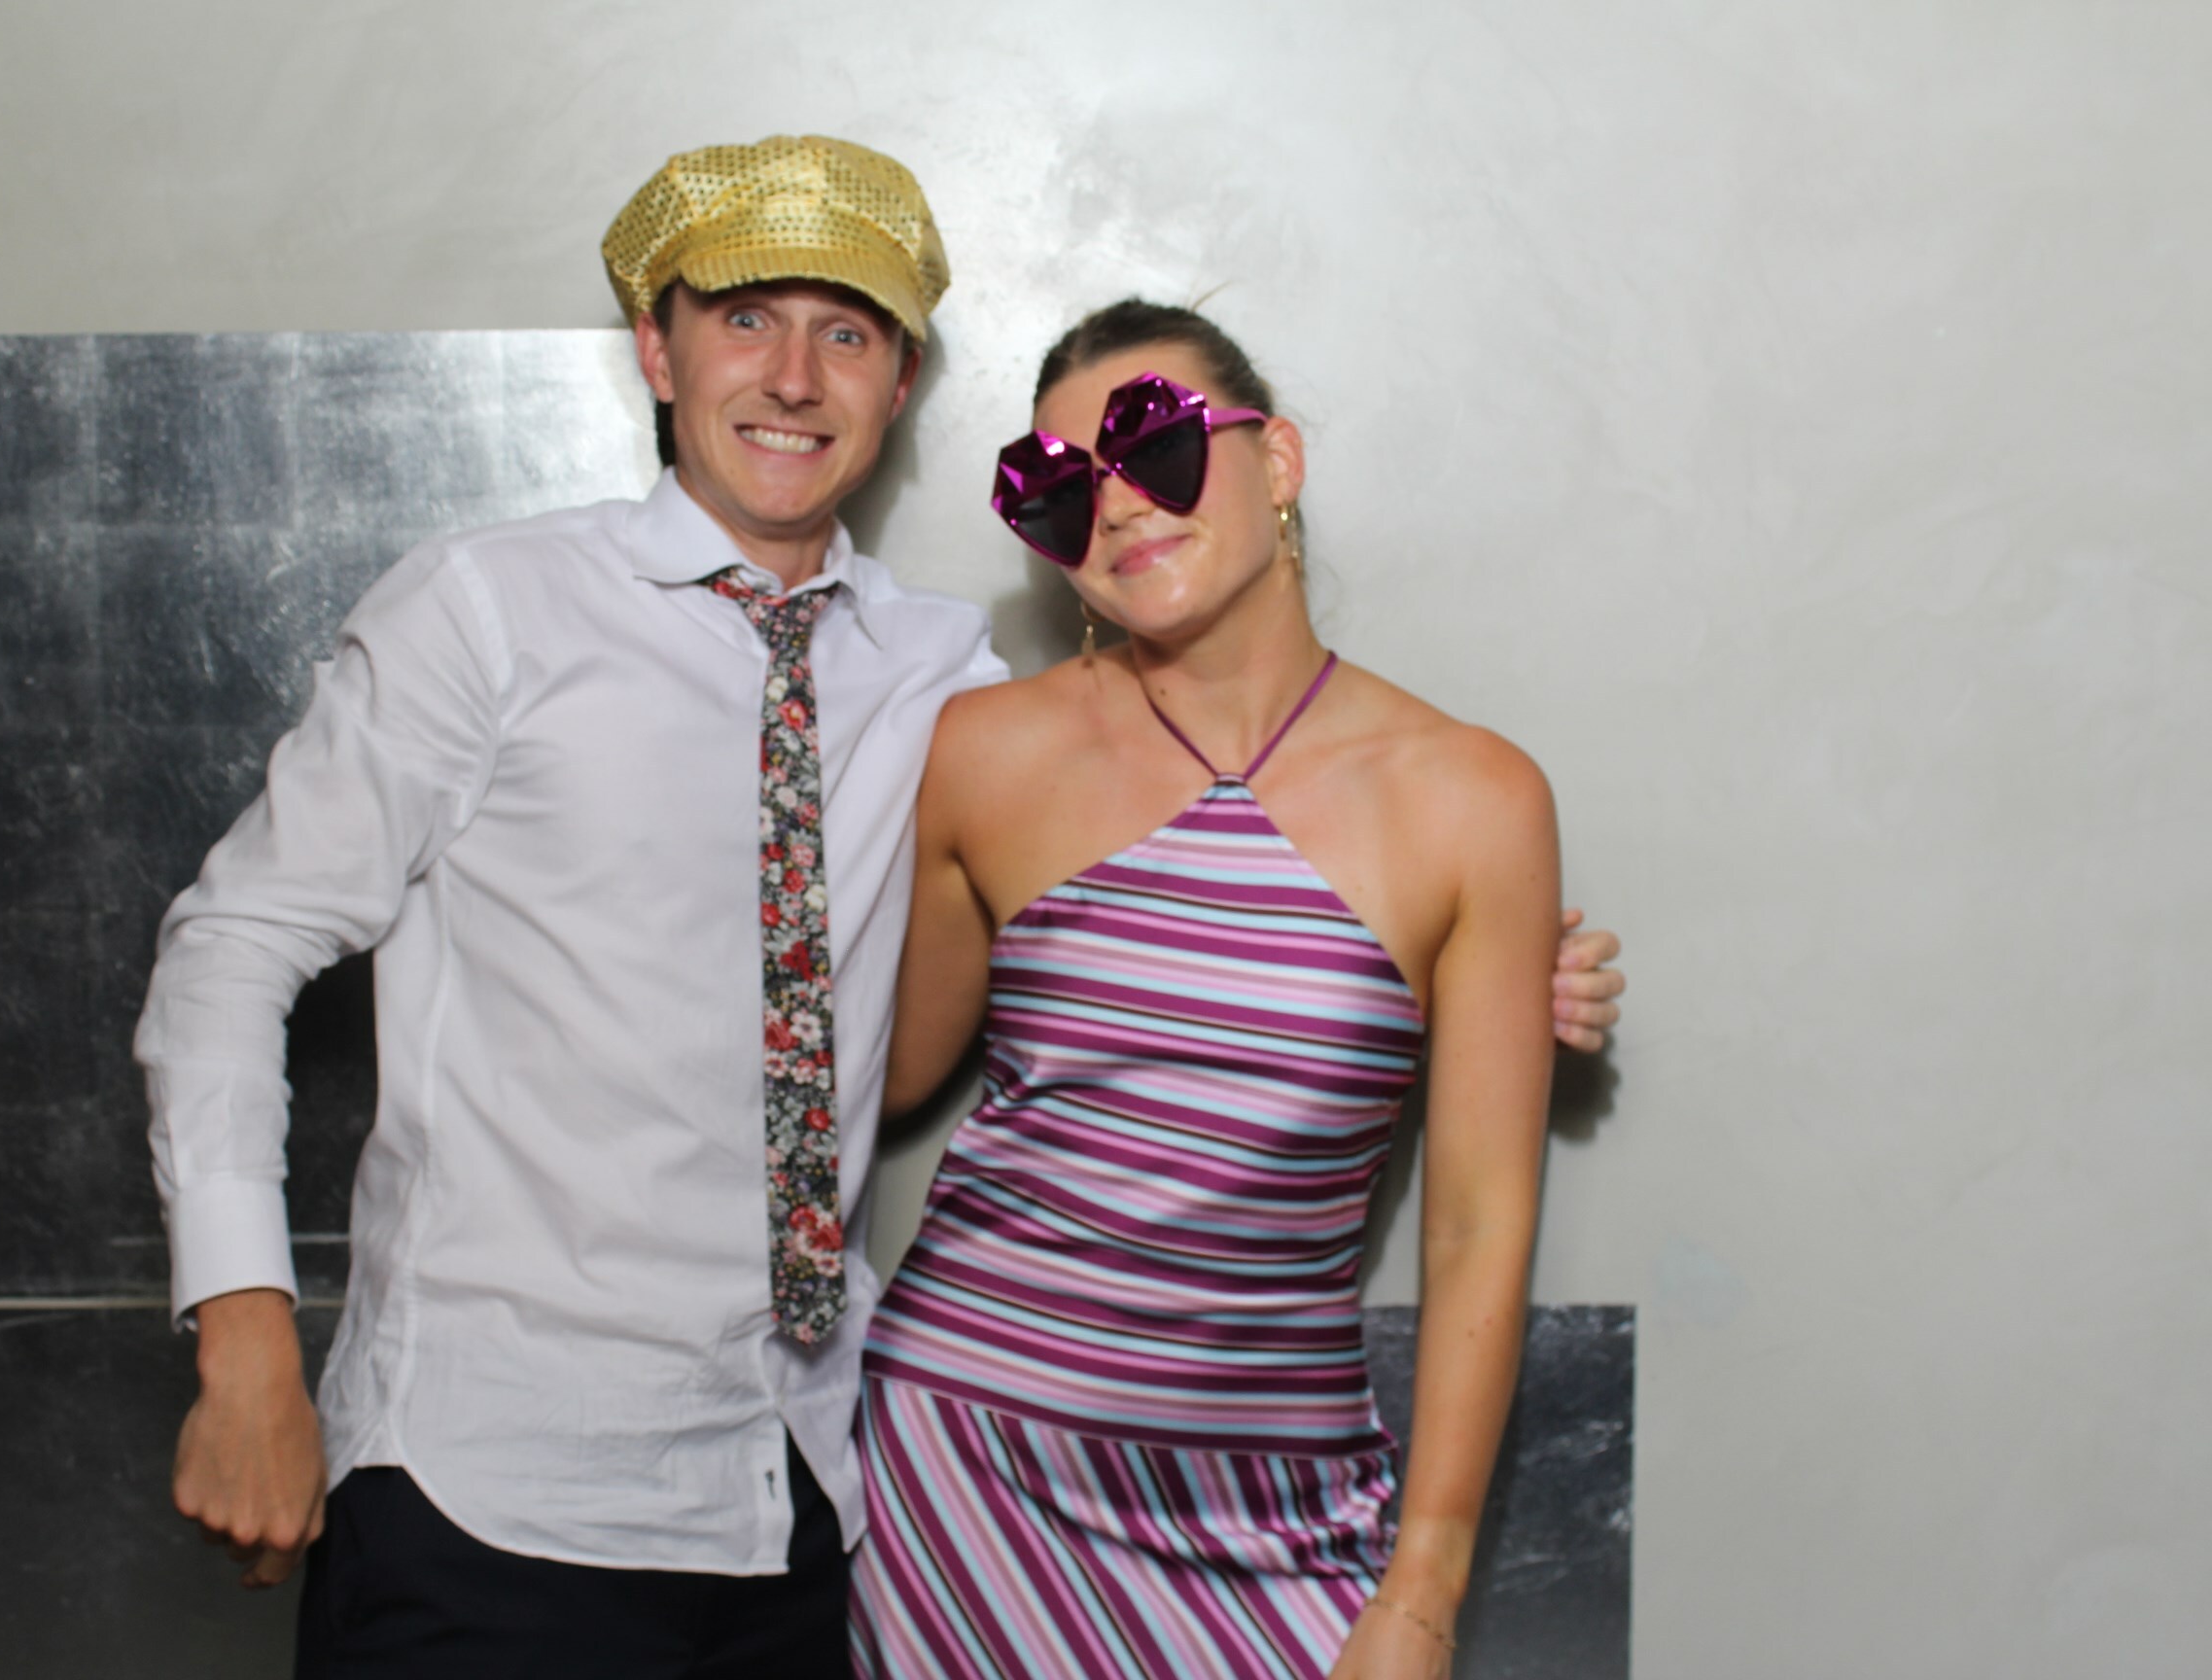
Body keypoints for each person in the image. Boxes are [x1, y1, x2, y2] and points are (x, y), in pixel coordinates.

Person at [138, 135, 1624, 1677]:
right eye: (744, 320)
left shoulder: (938, 678)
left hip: (801, 1500)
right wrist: (245, 1337)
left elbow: (1126, 919)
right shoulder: (486, 612)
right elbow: (233, 944)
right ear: (658, 350)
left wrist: (1475, 968)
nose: (792, 377)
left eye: (844, 333)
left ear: (900, 383)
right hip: (491, 1490)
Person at [853, 299, 1567, 1680]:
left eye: (1156, 446)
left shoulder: (1474, 798)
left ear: (1277, 459)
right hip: (964, 1479)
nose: (1118, 504)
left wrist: (1423, 1593)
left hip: (1279, 1507)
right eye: (1062, 489)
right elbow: (872, 1081)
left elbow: (1480, 1223)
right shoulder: (983, 753)